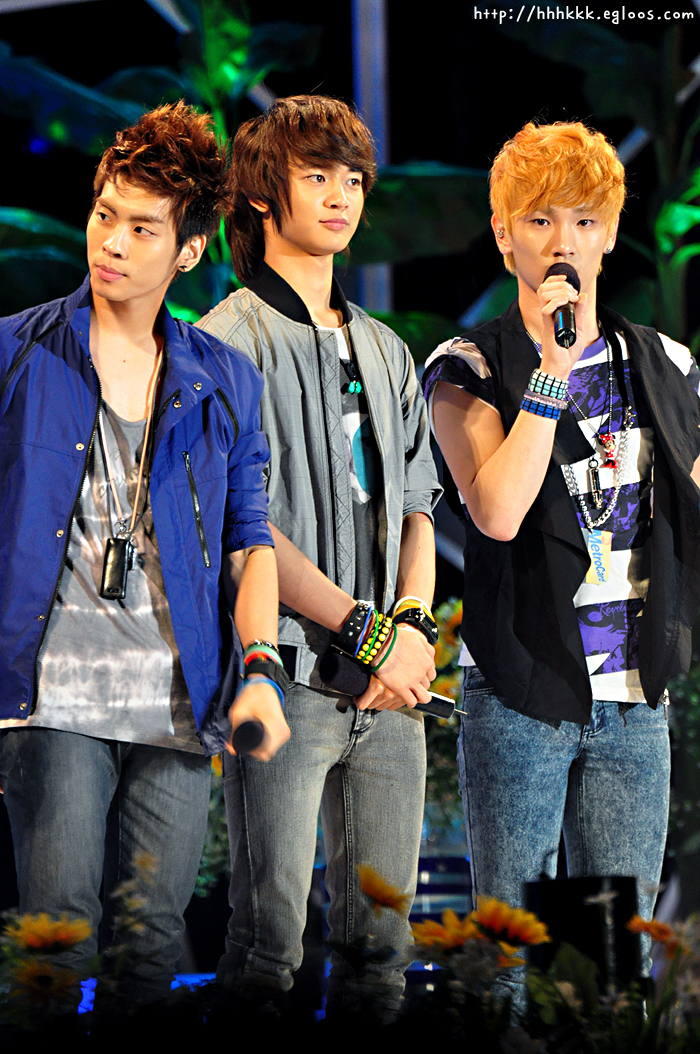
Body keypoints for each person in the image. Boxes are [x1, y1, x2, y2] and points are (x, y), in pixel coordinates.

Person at [0, 102, 290, 1004]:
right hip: (52, 699)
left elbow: (249, 542)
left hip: (178, 703)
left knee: (153, 949)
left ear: (189, 250)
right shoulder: (17, 352)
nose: (112, 244)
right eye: (104, 215)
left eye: (141, 228)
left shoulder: (226, 379)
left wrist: (260, 668)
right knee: (56, 939)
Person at [422, 120, 700, 988]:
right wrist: (551, 367)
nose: (563, 242)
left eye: (584, 220)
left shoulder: (666, 364)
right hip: (523, 688)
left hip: (634, 697)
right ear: (504, 235)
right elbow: (498, 512)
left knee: (608, 970)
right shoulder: (468, 366)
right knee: (510, 962)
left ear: (610, 234)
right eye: (539, 220)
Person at [199, 94, 441, 1017]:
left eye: (352, 179)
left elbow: (417, 506)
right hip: (289, 681)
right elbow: (243, 530)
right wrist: (367, 634)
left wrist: (411, 629)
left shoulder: (385, 348)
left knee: (382, 956)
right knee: (266, 948)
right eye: (317, 176)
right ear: (264, 195)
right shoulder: (224, 344)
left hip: (391, 694)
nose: (342, 196)